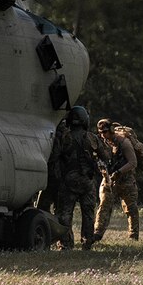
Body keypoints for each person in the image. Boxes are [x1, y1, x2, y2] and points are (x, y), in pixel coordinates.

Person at [42, 105, 102, 249]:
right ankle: (87, 243)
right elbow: (105, 155)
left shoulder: (64, 137)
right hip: (87, 181)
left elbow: (54, 156)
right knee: (88, 214)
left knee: (65, 214)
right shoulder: (92, 138)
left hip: (68, 181)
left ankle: (65, 244)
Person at [93, 118, 140, 240]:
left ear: (111, 130)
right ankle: (97, 234)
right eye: (101, 132)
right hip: (109, 179)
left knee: (131, 208)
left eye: (105, 132)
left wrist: (119, 172)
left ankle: (133, 236)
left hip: (126, 179)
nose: (103, 135)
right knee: (104, 206)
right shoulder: (103, 143)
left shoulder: (124, 143)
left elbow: (133, 162)